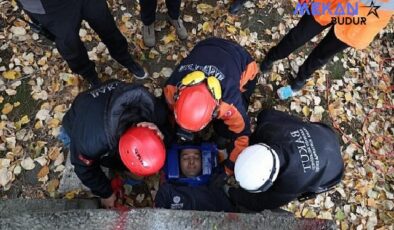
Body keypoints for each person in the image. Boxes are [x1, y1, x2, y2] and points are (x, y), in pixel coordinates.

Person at [62, 80, 171, 208]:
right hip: (77, 120)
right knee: (73, 144)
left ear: (145, 126)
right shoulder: (90, 144)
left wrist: (161, 132)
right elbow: (83, 169)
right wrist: (106, 193)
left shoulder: (156, 111)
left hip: (107, 100)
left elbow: (167, 129)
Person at [260, 0, 393, 99]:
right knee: (297, 37)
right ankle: (271, 57)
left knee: (322, 55)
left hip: (365, 19)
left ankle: (299, 81)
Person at [163, 37, 259, 176]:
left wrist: (227, 170)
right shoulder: (172, 88)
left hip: (241, 59)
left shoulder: (229, 103)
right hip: (206, 44)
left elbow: (242, 136)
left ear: (214, 113)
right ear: (179, 95)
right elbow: (167, 111)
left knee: (225, 129)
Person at [227, 109, 344, 211]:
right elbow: (266, 113)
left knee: (308, 187)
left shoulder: (291, 183)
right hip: (325, 134)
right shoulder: (271, 130)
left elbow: (261, 202)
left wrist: (231, 192)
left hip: (333, 170)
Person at [17, 0, 147, 87]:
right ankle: (90, 76)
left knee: (104, 22)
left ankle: (123, 56)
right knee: (70, 45)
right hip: (50, 9)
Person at [155, 146, 236, 212]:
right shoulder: (167, 191)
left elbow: (232, 219)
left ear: (203, 161)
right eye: (186, 158)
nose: (191, 161)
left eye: (196, 157)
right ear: (177, 162)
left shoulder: (214, 189)